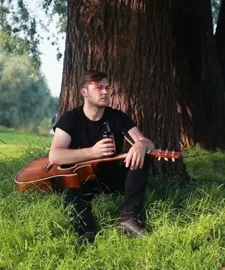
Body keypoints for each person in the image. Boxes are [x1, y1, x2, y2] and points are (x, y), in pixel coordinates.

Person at [48, 70, 155, 243]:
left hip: (111, 177)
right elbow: (55, 155)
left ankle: (128, 218)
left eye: (106, 87)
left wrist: (140, 145)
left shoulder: (116, 117)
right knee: (70, 189)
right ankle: (87, 231)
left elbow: (148, 143)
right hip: (83, 179)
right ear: (84, 92)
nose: (105, 91)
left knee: (143, 157)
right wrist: (92, 152)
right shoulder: (71, 119)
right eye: (98, 87)